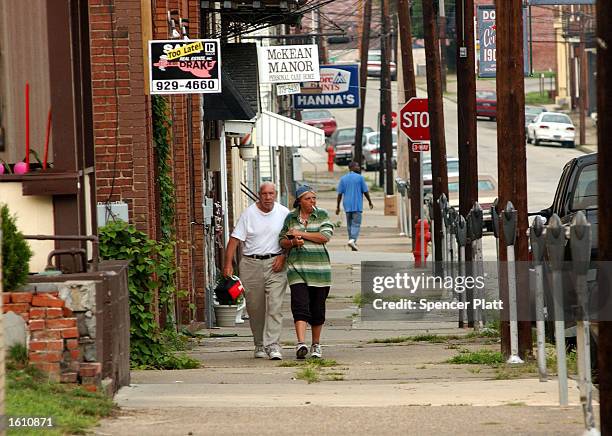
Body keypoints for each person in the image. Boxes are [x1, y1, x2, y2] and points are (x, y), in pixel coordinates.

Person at [224, 182, 289, 360]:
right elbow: (234, 240)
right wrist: (228, 264)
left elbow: (291, 238)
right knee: (255, 308)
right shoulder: (249, 214)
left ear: (275, 195)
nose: (268, 197)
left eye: (271, 194)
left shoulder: (284, 213)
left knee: (275, 305)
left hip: (275, 263)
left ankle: (273, 345)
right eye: (264, 194)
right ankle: (259, 344)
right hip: (251, 264)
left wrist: (283, 256)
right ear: (259, 195)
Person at [279, 185, 334, 359]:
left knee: (318, 310)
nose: (312, 202)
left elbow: (325, 237)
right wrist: (293, 242)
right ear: (299, 201)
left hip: (319, 270)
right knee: (300, 306)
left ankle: (316, 344)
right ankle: (301, 343)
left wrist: (300, 233)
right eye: (308, 199)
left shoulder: (322, 215)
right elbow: (282, 240)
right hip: (297, 269)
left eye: (314, 198)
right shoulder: (291, 217)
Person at [335, 161, 374, 251]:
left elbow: (340, 194)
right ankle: (353, 240)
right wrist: (370, 201)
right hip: (357, 205)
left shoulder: (343, 179)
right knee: (356, 224)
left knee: (349, 224)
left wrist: (338, 207)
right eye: (357, 166)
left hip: (347, 205)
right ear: (351, 167)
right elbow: (365, 191)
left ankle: (352, 242)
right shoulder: (360, 178)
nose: (358, 167)